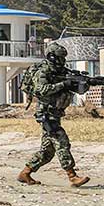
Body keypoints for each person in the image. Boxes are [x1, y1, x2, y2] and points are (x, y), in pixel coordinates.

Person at [18, 43, 90, 187]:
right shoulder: (43, 71)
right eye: (60, 57)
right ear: (52, 57)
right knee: (61, 141)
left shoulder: (61, 70)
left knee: (47, 152)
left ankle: (25, 173)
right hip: (46, 114)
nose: (62, 60)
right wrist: (63, 84)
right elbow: (41, 90)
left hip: (55, 113)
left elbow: (77, 89)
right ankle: (72, 176)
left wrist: (83, 83)